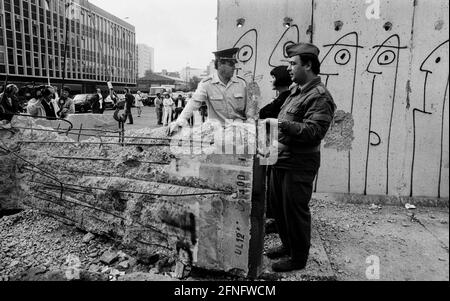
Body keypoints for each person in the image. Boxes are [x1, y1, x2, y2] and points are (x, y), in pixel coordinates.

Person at [262, 43, 336, 272]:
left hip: (299, 163)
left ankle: (298, 258)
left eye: (293, 64)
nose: (290, 69)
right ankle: (287, 246)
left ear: (308, 65)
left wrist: (281, 124)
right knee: (279, 208)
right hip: (281, 159)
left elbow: (314, 132)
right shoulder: (296, 90)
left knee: (295, 210)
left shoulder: (320, 96)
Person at [168, 47, 257, 134]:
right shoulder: (207, 84)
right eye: (231, 64)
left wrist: (250, 127)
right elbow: (194, 102)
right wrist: (180, 121)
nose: (234, 67)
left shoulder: (242, 84)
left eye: (234, 64)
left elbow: (250, 110)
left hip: (238, 132)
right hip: (217, 133)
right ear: (220, 64)